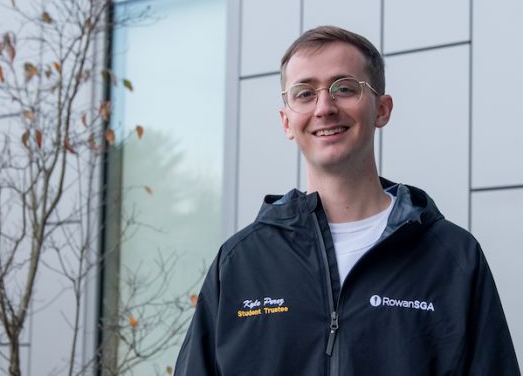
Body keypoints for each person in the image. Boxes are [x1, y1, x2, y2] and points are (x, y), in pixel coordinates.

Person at [174, 25, 520, 375]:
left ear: (382, 109)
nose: (324, 107)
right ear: (286, 122)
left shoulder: (453, 258)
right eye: (305, 93)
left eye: (344, 88)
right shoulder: (239, 264)